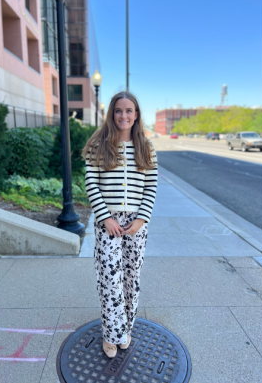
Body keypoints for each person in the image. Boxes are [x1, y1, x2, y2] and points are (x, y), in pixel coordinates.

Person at [82, 91, 158, 358]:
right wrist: (105, 217)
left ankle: (125, 328)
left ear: (136, 115)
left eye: (129, 110)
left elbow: (150, 187)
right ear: (111, 114)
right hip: (109, 223)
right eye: (118, 110)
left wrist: (141, 219)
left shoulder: (146, 147)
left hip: (136, 224)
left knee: (130, 278)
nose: (123, 115)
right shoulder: (98, 146)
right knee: (109, 278)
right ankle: (111, 334)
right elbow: (91, 183)